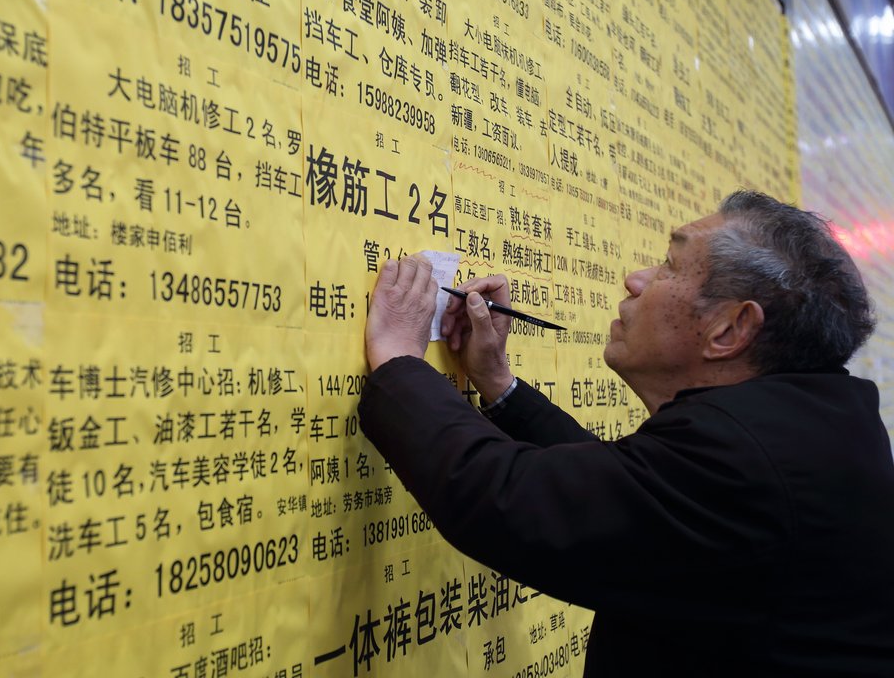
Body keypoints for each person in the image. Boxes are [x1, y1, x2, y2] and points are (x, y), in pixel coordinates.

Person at [358, 190, 894, 677]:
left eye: (668, 265)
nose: (636, 279)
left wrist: (399, 359)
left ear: (729, 329)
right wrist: (498, 384)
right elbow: (626, 496)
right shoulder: (807, 426)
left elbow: (512, 503)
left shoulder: (751, 459)